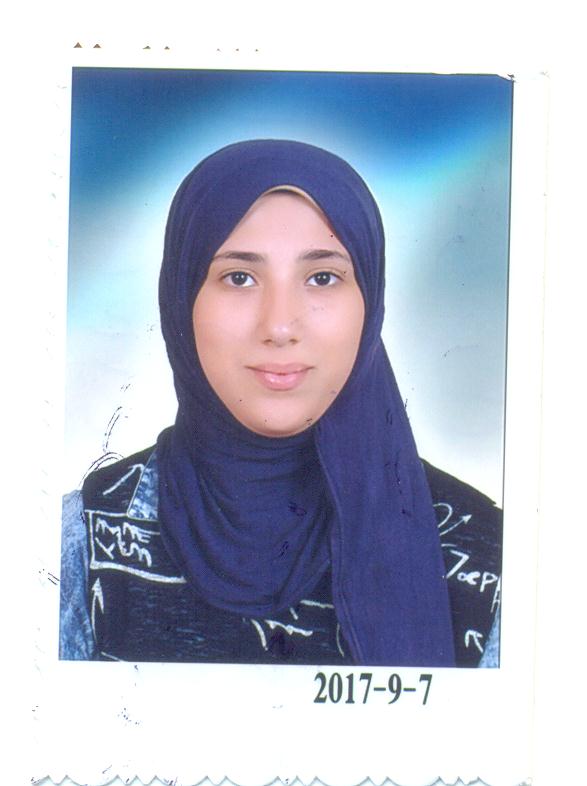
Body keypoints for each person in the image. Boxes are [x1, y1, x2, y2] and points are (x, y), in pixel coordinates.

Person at [59, 140, 502, 666]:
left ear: (371, 300)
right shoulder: (79, 541)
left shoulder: (490, 557)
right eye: (239, 277)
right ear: (181, 297)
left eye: (322, 278)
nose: (279, 326)